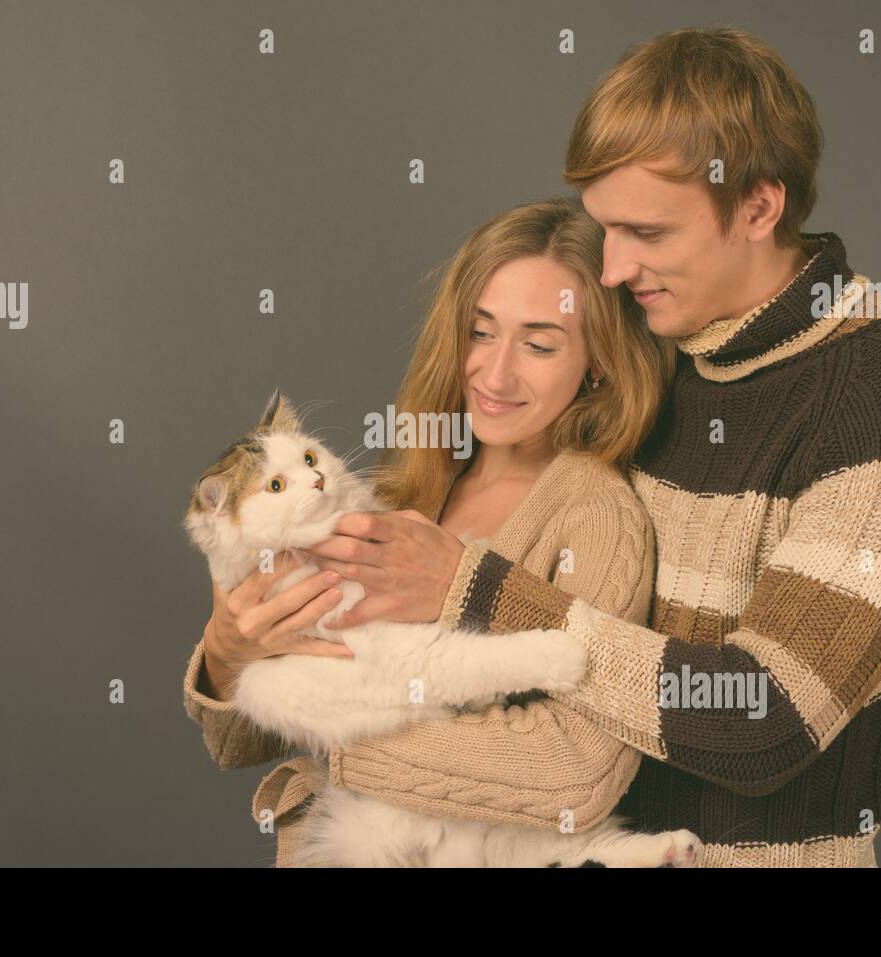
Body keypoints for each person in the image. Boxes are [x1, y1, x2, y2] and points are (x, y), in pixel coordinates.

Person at [253, 26, 881, 867]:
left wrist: (470, 590)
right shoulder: (656, 353)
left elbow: (769, 714)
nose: (612, 271)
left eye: (647, 233)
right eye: (606, 232)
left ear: (758, 206)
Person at [182, 197, 678, 865]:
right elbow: (238, 742)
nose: (496, 373)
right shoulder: (404, 484)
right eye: (480, 332)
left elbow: (574, 769)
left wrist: (343, 731)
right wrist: (228, 653)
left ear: (596, 360)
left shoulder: (596, 515)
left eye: (537, 343)